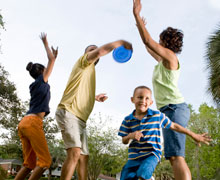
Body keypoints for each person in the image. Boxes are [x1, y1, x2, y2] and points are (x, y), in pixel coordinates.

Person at [132, 0, 196, 179]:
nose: (157, 42)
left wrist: (136, 14)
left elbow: (148, 40)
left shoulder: (170, 56)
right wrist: (140, 25)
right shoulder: (163, 60)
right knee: (173, 156)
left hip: (174, 108)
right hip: (169, 110)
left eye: (160, 40)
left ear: (165, 41)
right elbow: (147, 45)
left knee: (176, 156)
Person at [55, 40, 132, 180]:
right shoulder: (83, 62)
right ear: (86, 54)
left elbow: (81, 91)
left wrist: (95, 97)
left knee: (84, 157)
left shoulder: (90, 71)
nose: (95, 51)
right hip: (69, 111)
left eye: (95, 50)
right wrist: (120, 42)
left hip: (80, 120)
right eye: (91, 50)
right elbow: (100, 51)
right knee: (75, 152)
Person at [118, 86, 211, 180]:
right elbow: (124, 140)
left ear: (151, 102)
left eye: (147, 98)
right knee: (125, 177)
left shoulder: (157, 116)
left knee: (144, 173)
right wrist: (131, 135)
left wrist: (193, 135)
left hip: (151, 154)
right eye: (140, 97)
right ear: (132, 99)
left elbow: (174, 126)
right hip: (133, 158)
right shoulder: (127, 120)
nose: (143, 101)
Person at [15, 33, 58, 180]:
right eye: (46, 69)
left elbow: (51, 61)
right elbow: (51, 59)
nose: (48, 71)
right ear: (41, 72)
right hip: (33, 123)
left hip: (24, 123)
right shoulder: (41, 81)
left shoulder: (34, 85)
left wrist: (53, 59)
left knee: (29, 164)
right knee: (45, 161)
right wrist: (46, 43)